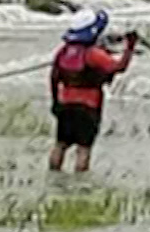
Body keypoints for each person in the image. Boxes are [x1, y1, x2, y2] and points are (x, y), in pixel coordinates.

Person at [49, 9, 137, 173]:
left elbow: (54, 77)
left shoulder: (63, 51)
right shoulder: (93, 54)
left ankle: (53, 174)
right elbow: (119, 67)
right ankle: (80, 182)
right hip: (88, 106)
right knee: (84, 148)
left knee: (60, 144)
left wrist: (55, 102)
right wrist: (130, 47)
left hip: (65, 104)